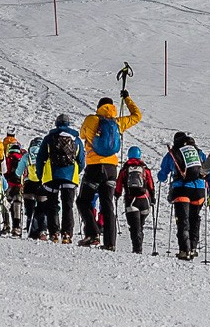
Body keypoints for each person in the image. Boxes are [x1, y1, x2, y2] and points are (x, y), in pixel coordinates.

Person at [80, 91, 142, 250]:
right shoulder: (117, 122)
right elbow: (137, 116)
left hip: (94, 167)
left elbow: (82, 135)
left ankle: (92, 234)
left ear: (99, 107)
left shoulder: (91, 119)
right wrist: (127, 98)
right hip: (111, 168)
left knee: (83, 201)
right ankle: (110, 244)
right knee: (107, 205)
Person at [158, 130, 209, 260]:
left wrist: (161, 176)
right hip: (199, 191)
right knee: (194, 219)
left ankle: (184, 250)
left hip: (181, 190)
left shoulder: (173, 154)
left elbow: (162, 175)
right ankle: (192, 248)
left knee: (183, 220)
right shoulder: (199, 153)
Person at [33, 113, 85, 241]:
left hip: (52, 176)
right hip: (70, 177)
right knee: (68, 205)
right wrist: (75, 173)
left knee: (53, 205)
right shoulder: (76, 140)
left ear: (56, 124)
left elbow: (40, 158)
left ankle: (54, 233)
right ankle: (67, 234)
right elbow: (82, 161)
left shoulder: (49, 138)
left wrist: (40, 175)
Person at [120, 147, 156, 252]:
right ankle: (139, 246)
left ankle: (137, 249)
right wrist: (152, 198)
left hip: (131, 200)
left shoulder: (125, 169)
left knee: (134, 227)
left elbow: (118, 186)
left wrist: (117, 194)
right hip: (144, 201)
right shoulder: (145, 169)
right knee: (140, 226)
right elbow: (151, 185)